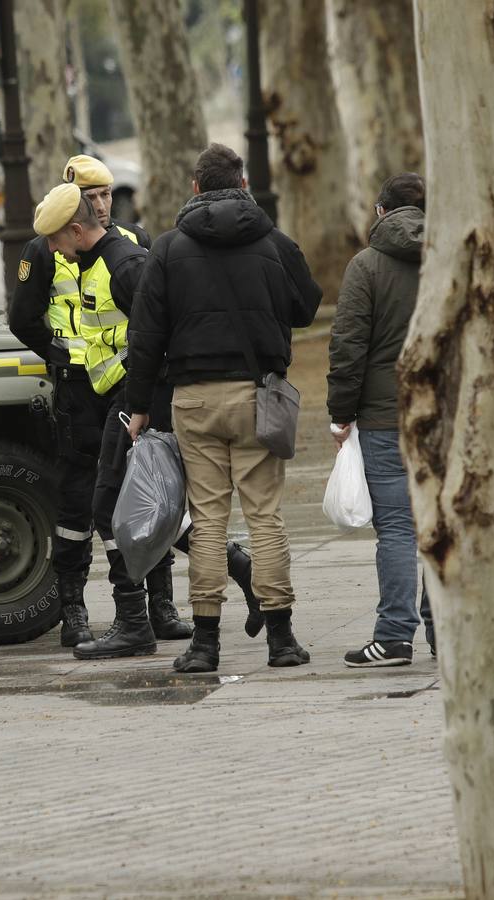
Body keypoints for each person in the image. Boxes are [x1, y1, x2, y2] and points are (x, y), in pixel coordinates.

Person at [124, 143, 322, 673]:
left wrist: (138, 407)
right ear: (242, 186)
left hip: (194, 400)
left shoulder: (166, 251)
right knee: (266, 517)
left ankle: (205, 643)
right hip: (257, 397)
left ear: (194, 188)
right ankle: (281, 639)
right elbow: (306, 306)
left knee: (208, 520)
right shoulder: (273, 241)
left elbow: (145, 336)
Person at [8, 155, 151, 647]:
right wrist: (59, 354)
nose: (102, 204)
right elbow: (23, 319)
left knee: (140, 490)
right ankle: (74, 612)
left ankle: (158, 607)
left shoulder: (131, 244)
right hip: (75, 389)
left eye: (107, 194)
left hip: (118, 386)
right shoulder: (47, 248)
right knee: (77, 499)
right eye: (92, 197)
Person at [325, 173, 435, 668]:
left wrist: (340, 415)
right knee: (441, 524)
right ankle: (448, 630)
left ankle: (394, 635)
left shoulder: (365, 266)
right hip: (444, 413)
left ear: (379, 212)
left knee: (396, 529)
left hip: (383, 416)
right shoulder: (450, 257)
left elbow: (348, 346)